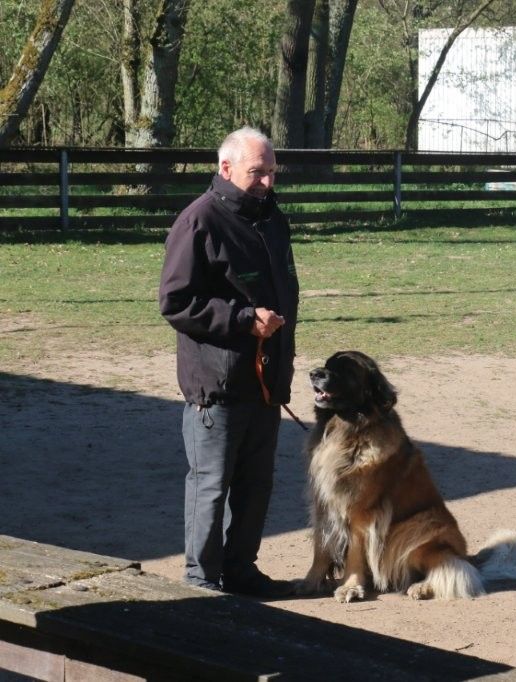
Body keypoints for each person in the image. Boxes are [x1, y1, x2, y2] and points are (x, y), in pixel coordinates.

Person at [159, 126, 299, 598]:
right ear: (226, 168)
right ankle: (201, 581)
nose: (267, 182)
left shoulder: (272, 219)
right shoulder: (198, 221)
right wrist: (243, 320)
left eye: (272, 172)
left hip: (265, 384)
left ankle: (241, 570)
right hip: (216, 386)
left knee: (256, 486)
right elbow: (175, 302)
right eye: (257, 172)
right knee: (211, 487)